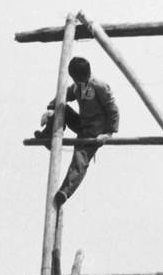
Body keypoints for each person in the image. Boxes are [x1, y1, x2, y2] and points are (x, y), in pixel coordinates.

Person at [34, 56, 119, 207]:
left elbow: (112, 110)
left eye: (83, 80)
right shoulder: (76, 87)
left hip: (95, 132)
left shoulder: (99, 86)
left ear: (88, 74)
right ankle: (48, 135)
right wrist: (50, 110)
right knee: (62, 108)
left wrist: (108, 134)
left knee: (80, 159)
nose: (81, 83)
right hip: (83, 124)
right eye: (78, 81)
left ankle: (65, 192)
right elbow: (63, 97)